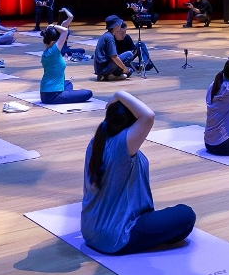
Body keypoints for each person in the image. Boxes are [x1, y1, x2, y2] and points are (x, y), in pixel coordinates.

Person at [81, 92, 196, 254]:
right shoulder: (122, 145)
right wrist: (118, 94)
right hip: (115, 236)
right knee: (186, 215)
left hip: (89, 231)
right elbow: (148, 116)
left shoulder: (96, 141)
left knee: (173, 220)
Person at [39, 23, 93, 105]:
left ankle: (68, 95)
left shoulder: (46, 52)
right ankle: (66, 96)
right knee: (88, 93)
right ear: (53, 42)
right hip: (53, 95)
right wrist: (52, 26)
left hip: (45, 93)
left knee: (68, 83)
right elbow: (65, 31)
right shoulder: (53, 51)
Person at [93, 15, 134, 82]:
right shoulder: (110, 38)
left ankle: (108, 75)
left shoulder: (106, 35)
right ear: (116, 26)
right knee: (129, 54)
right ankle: (111, 75)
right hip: (104, 69)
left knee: (130, 70)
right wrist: (124, 68)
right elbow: (114, 57)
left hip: (100, 68)